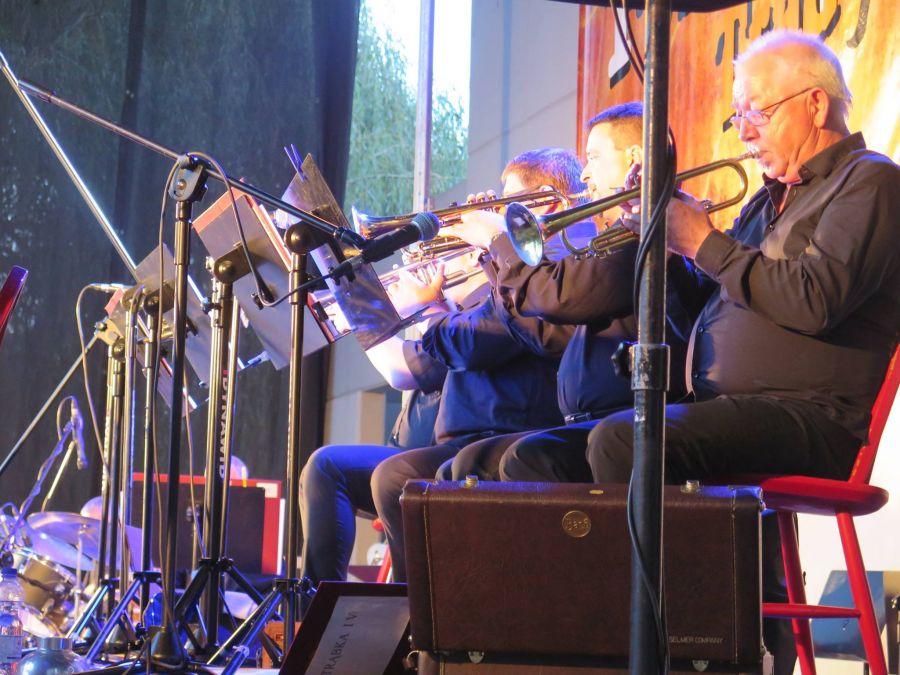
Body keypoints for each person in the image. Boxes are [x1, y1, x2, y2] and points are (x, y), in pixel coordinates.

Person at [585, 30, 900, 673]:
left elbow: (814, 298)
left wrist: (704, 239)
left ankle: (690, 654)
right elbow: (705, 305)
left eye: (756, 111)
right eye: (738, 116)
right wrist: (666, 239)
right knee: (528, 457)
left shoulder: (871, 182)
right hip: (730, 412)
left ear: (815, 104)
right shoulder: (766, 198)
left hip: (810, 417)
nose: (745, 130)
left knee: (624, 443)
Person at [300, 148, 584, 591]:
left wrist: (432, 301)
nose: (493, 213)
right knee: (326, 466)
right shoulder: (497, 278)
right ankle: (319, 611)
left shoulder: (536, 281)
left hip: (500, 440)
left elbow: (451, 350)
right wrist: (443, 294)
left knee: (394, 478)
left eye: (506, 204)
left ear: (544, 205)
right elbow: (443, 352)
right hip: (452, 441)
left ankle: (414, 617)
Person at [442, 103, 682, 484]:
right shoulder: (616, 237)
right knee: (461, 468)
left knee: (504, 462)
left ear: (635, 158)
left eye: (595, 157)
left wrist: (498, 240)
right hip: (588, 422)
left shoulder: (642, 235)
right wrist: (494, 255)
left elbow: (554, 298)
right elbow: (548, 328)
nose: (585, 172)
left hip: (620, 422)